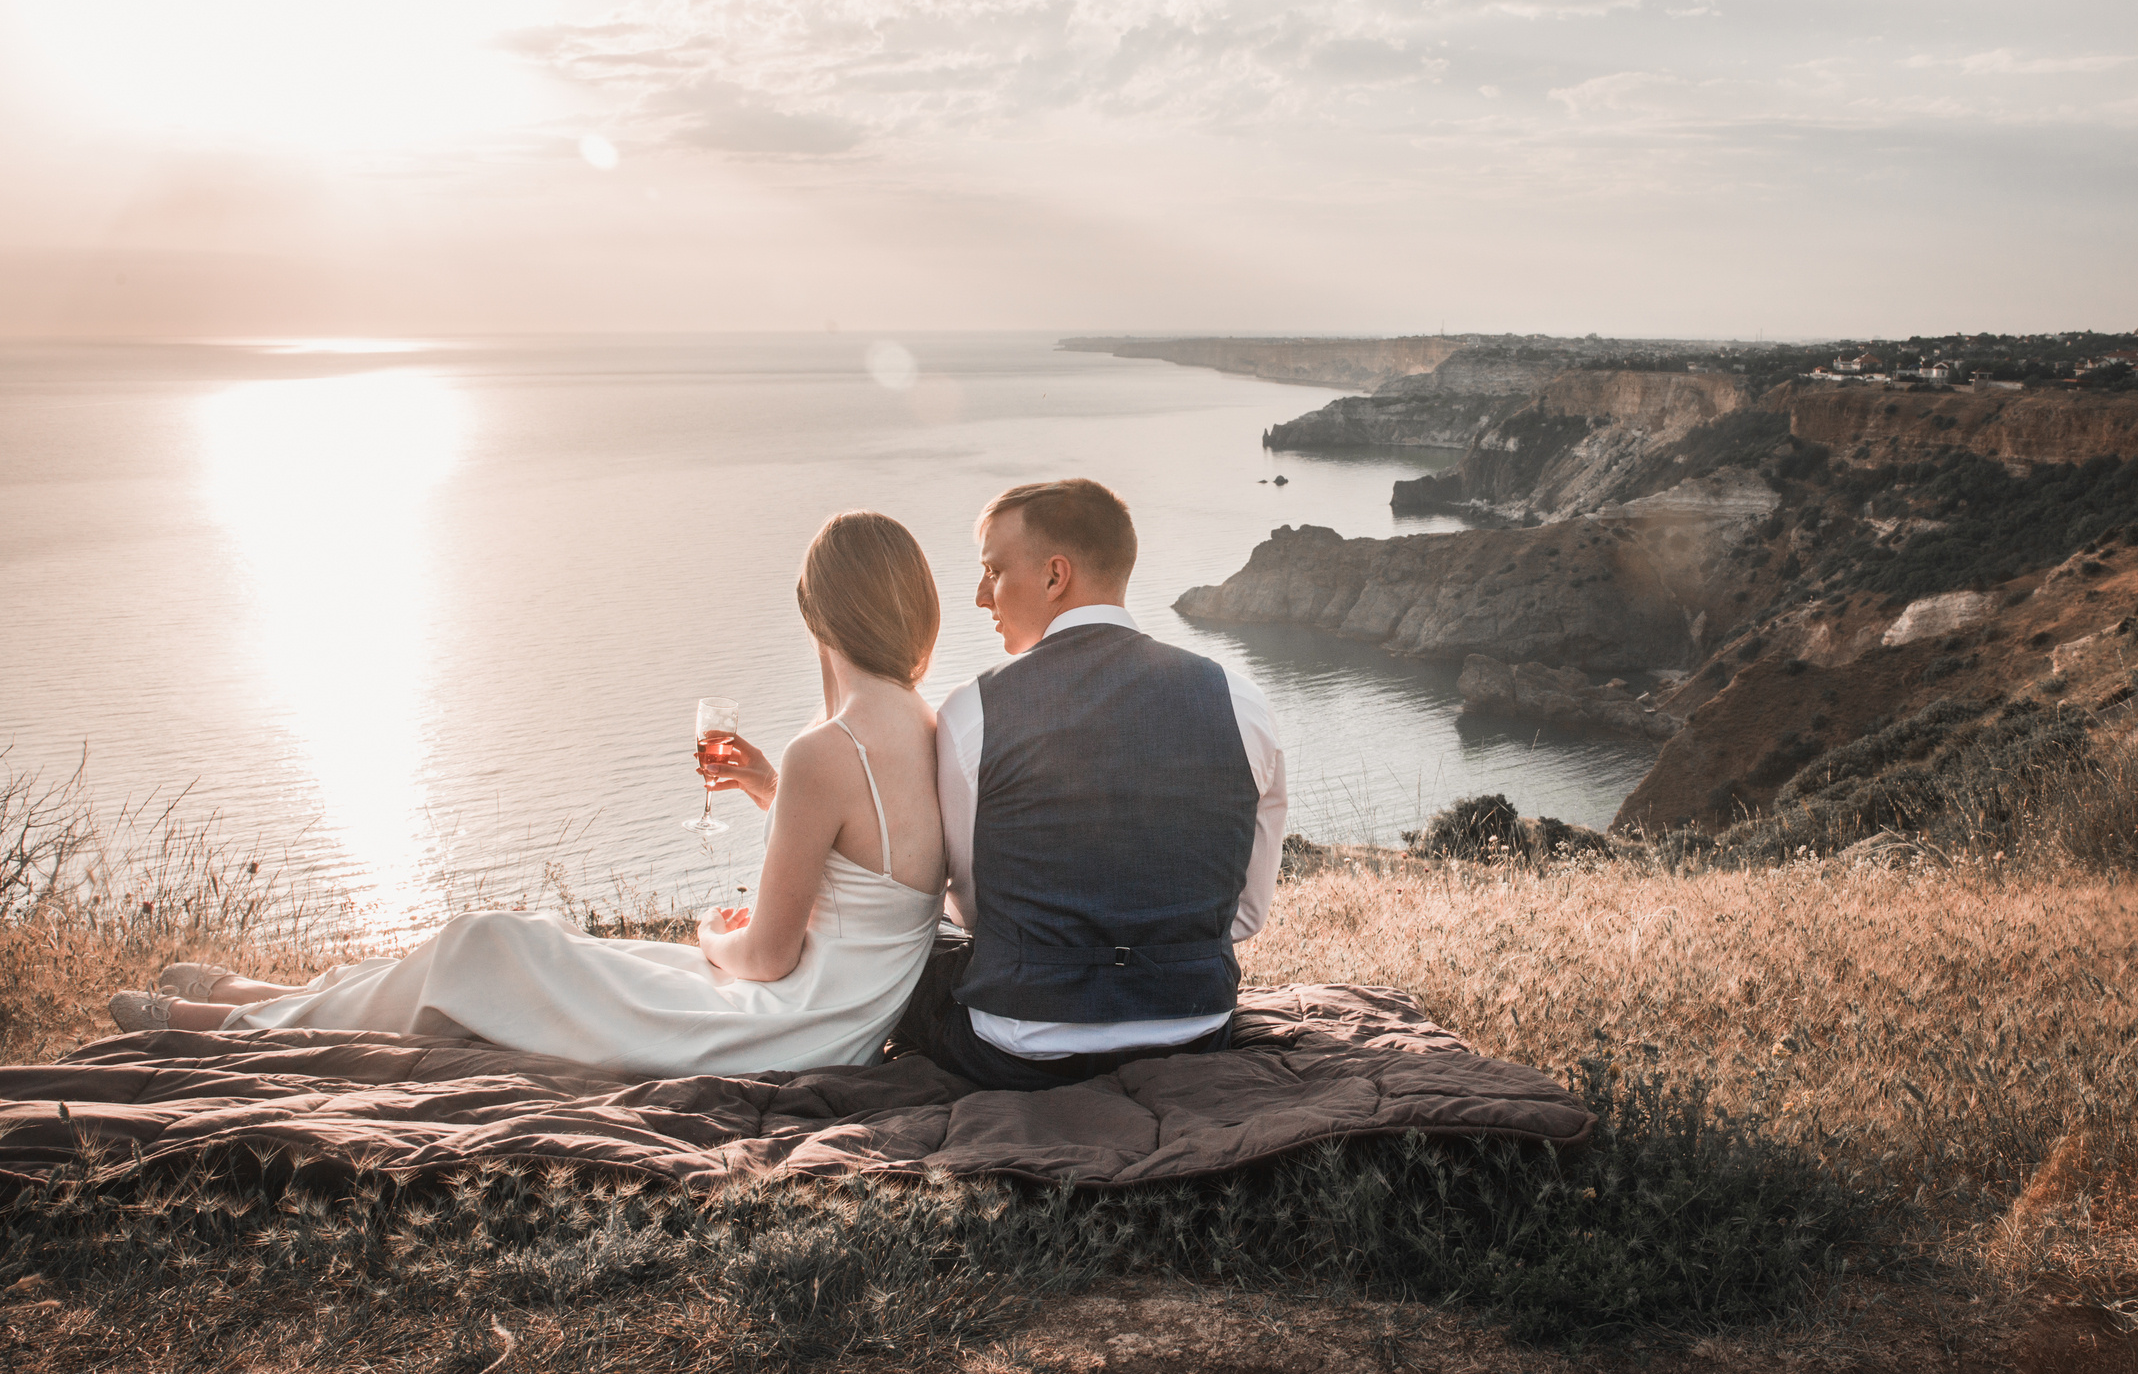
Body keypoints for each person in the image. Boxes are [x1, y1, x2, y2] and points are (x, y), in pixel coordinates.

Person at [109, 512, 948, 1077]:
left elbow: (765, 955)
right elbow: (869, 860)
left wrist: (707, 936)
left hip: (779, 1025)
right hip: (836, 1018)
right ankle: (273, 1001)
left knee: (488, 946)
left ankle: (233, 1027)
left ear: (818, 612)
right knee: (522, 948)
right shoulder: (922, 722)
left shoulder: (825, 749)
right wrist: (769, 787)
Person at [891, 477, 1287, 1090]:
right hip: (1195, 1031)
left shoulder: (974, 711)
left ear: (1055, 577)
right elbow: (1246, 914)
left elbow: (975, 910)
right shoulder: (1241, 701)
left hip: (1020, 1046)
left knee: (908, 957)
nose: (980, 596)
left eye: (993, 571)